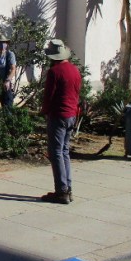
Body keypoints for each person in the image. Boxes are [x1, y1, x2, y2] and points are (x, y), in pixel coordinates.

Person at [40, 39, 81, 204]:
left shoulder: (54, 72)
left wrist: (44, 111)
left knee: (56, 152)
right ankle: (67, 188)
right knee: (64, 151)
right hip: (71, 114)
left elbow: (49, 95)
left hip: (58, 114)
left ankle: (61, 191)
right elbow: (77, 92)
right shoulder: (75, 70)